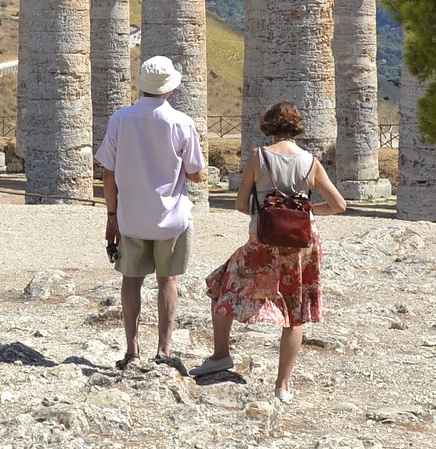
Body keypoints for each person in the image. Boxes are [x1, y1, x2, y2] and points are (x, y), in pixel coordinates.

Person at [194, 101, 347, 404]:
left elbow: (240, 204)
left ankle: (221, 354)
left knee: (223, 285)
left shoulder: (258, 156)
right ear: (297, 127)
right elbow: (339, 205)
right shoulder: (310, 161)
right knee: (295, 311)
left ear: (269, 125)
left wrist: (268, 210)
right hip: (302, 242)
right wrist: (305, 209)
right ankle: (283, 385)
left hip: (264, 240)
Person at [96, 56, 206, 369]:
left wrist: (111, 216)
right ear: (170, 89)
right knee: (168, 281)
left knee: (131, 281)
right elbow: (196, 174)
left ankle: (132, 351)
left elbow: (107, 172)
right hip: (172, 217)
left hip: (130, 216)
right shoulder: (182, 123)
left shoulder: (120, 119)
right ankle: (164, 350)